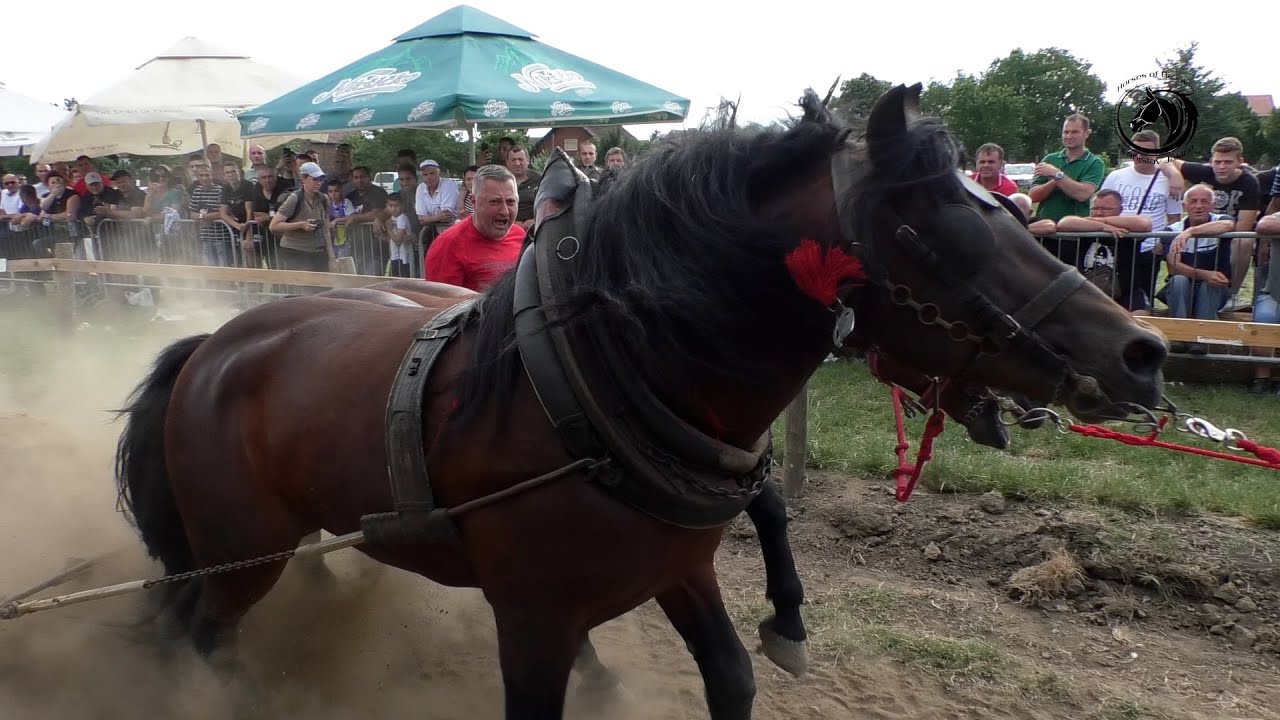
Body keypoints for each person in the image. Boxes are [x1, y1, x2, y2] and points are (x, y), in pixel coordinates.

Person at [424, 164, 526, 291]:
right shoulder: (447, 246)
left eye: (510, 202)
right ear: (474, 202)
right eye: (494, 202)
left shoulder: (521, 237)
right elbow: (441, 305)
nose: (504, 211)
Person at [269, 161, 333, 273]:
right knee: (304, 287)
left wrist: (332, 257)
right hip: (295, 250)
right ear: (303, 179)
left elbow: (326, 230)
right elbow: (274, 226)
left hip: (318, 251)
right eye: (315, 179)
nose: (319, 182)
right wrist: (300, 225)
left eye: (321, 179)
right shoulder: (294, 199)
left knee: (323, 286)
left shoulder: (324, 199)